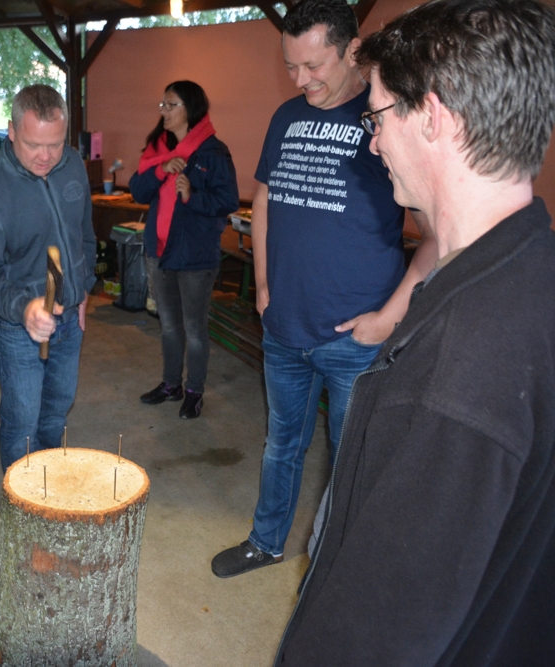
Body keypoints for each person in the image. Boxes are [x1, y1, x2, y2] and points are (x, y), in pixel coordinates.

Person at [276, 1, 555, 663]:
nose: (372, 142)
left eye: (376, 117)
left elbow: (377, 631)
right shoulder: (529, 266)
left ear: (432, 117)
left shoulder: (465, 364)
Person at [210, 0, 438, 579]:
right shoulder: (286, 116)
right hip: (285, 325)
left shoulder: (386, 119)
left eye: (313, 65)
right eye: (291, 66)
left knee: (351, 459)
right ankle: (266, 542)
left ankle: (338, 569)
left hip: (354, 340)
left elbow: (439, 236)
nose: (301, 79)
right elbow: (263, 198)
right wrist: (262, 286)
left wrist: (388, 317)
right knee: (280, 446)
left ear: (351, 50)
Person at [0, 84, 97, 470]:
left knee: (56, 412)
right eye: (33, 145)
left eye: (55, 144)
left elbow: (83, 235)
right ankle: (22, 511)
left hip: (70, 318)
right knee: (23, 422)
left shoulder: (71, 164)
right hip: (16, 329)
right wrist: (25, 309)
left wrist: (83, 287)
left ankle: (47, 484)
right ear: (11, 130)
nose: (46, 156)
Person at [129, 80, 239, 420]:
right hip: (159, 253)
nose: (163, 111)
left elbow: (228, 200)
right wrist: (161, 170)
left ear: (190, 109)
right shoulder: (157, 148)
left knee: (194, 329)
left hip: (194, 256)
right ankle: (170, 384)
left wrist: (192, 196)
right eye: (162, 104)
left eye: (171, 104)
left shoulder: (213, 152)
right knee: (168, 327)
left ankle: (194, 391)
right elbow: (137, 189)